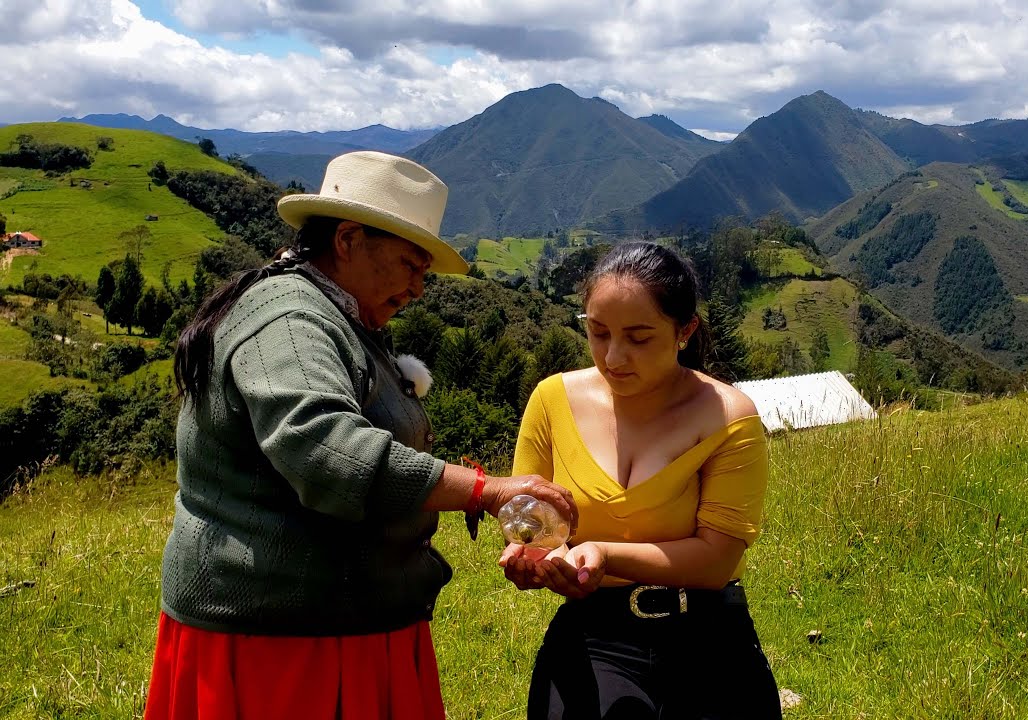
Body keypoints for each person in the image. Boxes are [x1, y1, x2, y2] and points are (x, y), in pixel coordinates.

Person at [144, 151, 576, 720]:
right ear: (348, 239)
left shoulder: (335, 315)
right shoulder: (291, 324)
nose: (419, 289)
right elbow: (325, 448)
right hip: (283, 649)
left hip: (337, 624)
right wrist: (484, 490)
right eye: (410, 265)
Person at [500, 242, 782, 719]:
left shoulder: (728, 416)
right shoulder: (551, 401)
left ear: (685, 331)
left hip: (708, 636)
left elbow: (717, 561)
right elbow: (531, 522)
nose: (614, 356)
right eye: (598, 332)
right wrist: (537, 561)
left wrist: (604, 554)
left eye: (639, 337)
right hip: (593, 638)